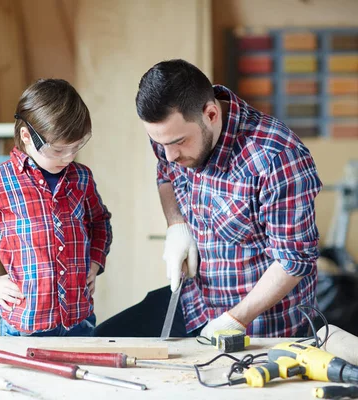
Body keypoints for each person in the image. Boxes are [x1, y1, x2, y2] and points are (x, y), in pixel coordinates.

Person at [95, 59, 321, 338]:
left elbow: (294, 260)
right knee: (104, 339)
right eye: (160, 143)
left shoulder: (276, 157)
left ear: (211, 114)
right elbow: (166, 172)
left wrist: (235, 319)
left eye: (177, 143)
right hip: (196, 303)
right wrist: (176, 224)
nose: (170, 155)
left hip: (259, 325)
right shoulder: (171, 135)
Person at [0, 79, 112, 337]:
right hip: (26, 325)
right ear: (26, 136)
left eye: (75, 148)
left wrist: (95, 261)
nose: (68, 158)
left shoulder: (82, 178)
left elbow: (100, 221)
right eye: (58, 150)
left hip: (79, 320)